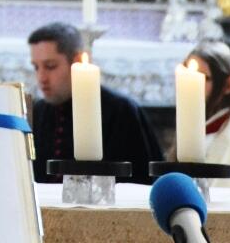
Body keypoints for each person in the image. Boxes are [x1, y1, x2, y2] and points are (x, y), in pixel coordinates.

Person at [28, 22, 163, 183]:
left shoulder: (121, 111)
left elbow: (145, 179)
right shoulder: (39, 111)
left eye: (50, 66)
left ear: (77, 61)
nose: (41, 78)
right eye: (36, 67)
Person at [187, 41, 230, 187]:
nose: (190, 85)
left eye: (202, 78)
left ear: (229, 85)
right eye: (186, 76)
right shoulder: (191, 130)